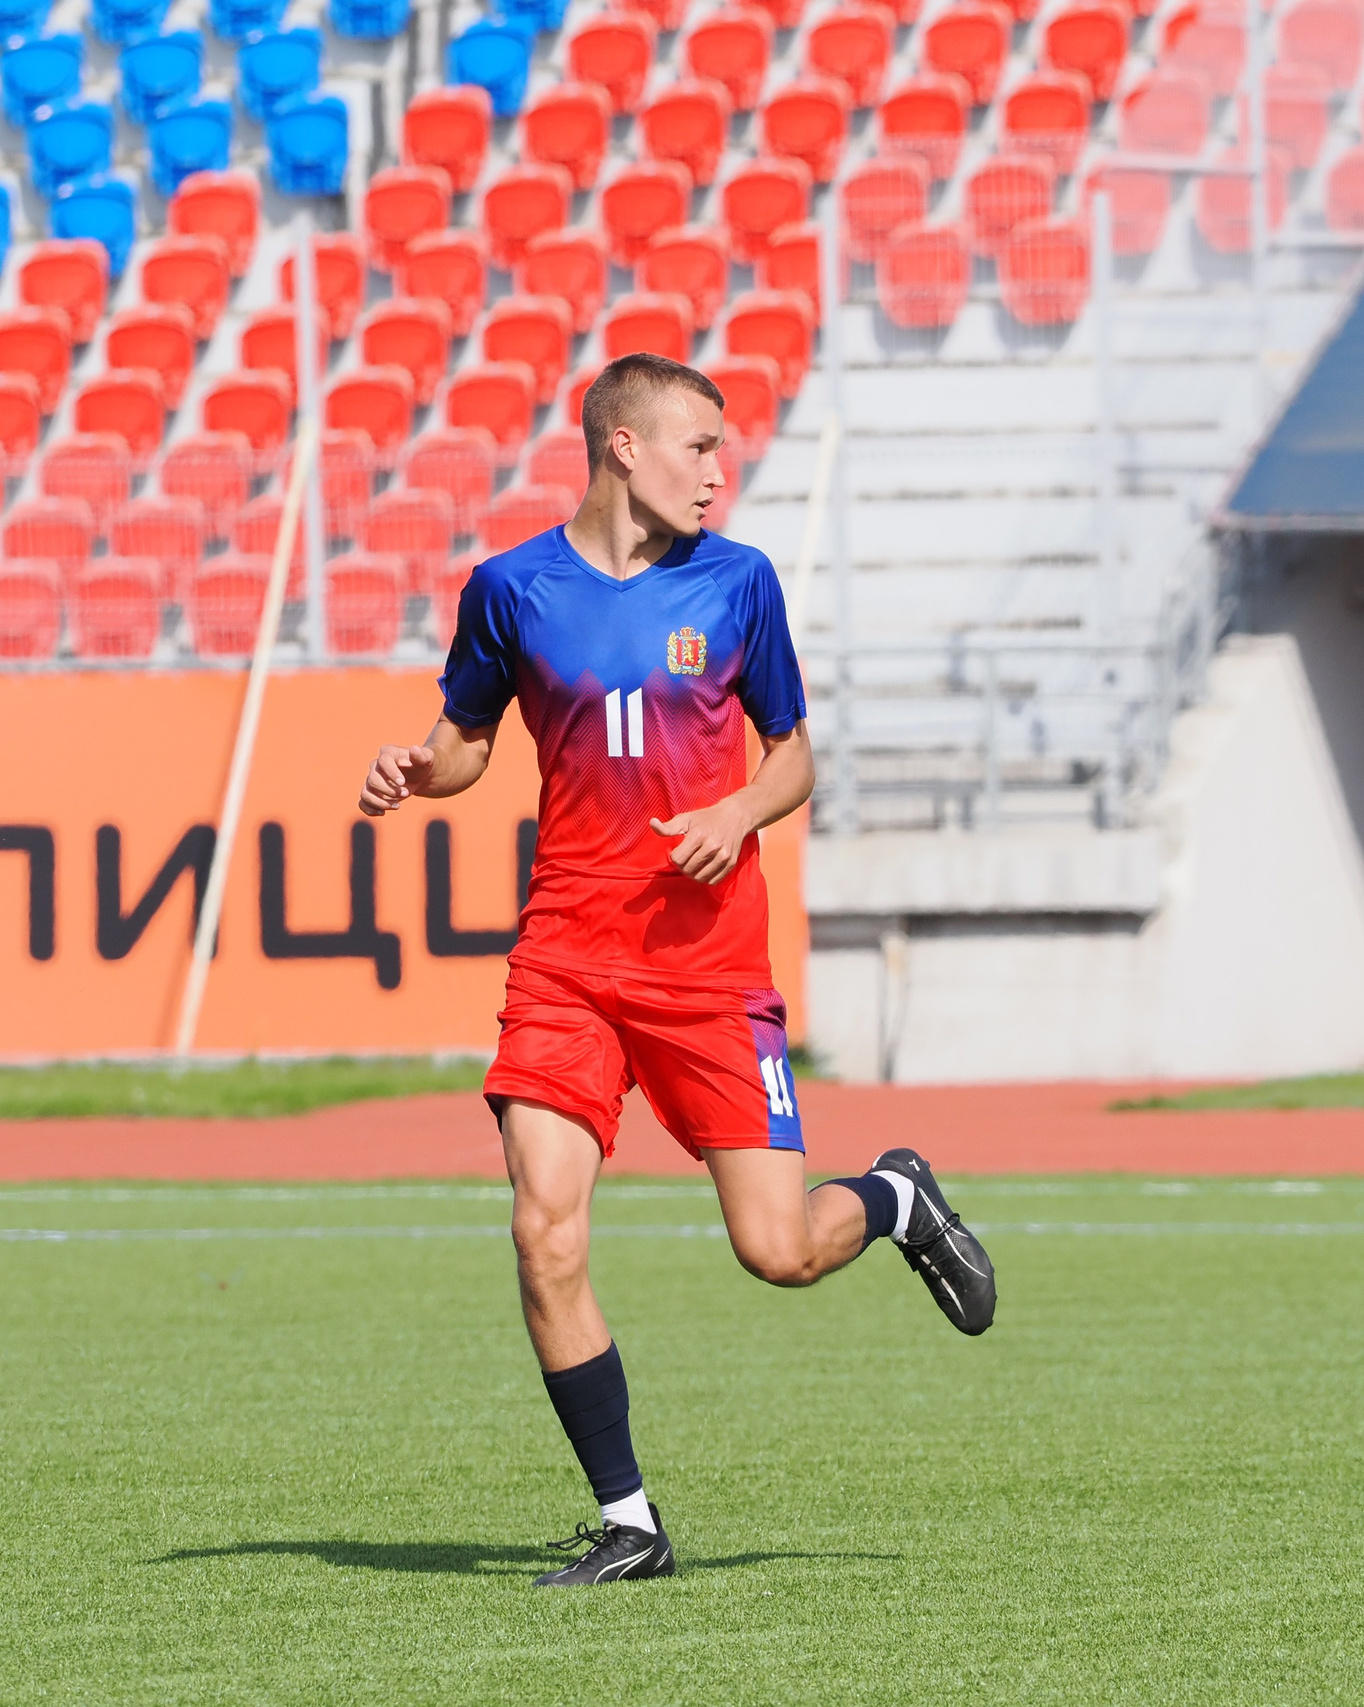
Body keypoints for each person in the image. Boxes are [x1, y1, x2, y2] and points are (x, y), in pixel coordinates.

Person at [357, 353, 996, 1589]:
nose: (718, 470)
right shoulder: (509, 589)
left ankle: (900, 1198)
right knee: (543, 1233)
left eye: (721, 447)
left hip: (707, 970)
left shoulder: (741, 582)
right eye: (698, 445)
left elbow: (795, 757)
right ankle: (630, 1522)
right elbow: (464, 747)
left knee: (780, 1251)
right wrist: (410, 774)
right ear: (622, 447)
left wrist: (741, 812)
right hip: (566, 961)